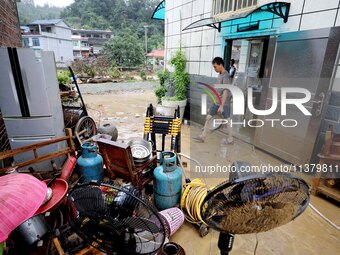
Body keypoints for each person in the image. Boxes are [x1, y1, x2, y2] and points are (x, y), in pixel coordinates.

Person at [194, 57, 234, 144]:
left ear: (220, 65)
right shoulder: (220, 74)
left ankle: (230, 139)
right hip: (216, 101)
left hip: (224, 103)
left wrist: (222, 105)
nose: (214, 68)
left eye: (215, 66)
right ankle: (203, 136)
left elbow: (226, 91)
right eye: (213, 67)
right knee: (208, 117)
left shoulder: (226, 76)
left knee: (227, 120)